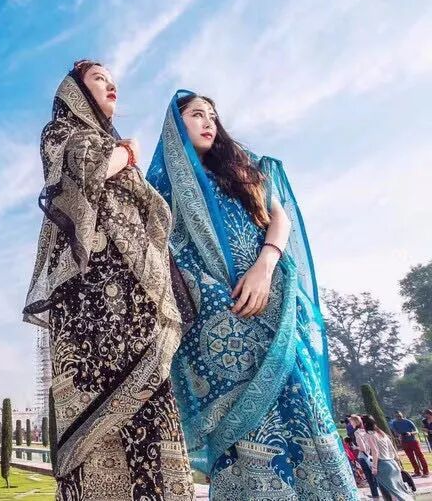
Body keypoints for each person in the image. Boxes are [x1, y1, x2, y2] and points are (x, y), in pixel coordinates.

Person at [146, 91, 358, 498]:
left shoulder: (243, 170)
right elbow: (161, 255)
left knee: (301, 400)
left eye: (212, 116)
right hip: (217, 320)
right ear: (175, 125)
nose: (208, 122)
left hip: (272, 302)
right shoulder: (158, 187)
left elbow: (280, 218)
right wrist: (212, 300)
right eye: (196, 114)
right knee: (241, 427)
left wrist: (265, 266)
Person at [22, 60, 194, 500]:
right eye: (99, 78)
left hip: (138, 289)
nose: (111, 85)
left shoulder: (111, 142)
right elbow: (83, 174)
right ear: (75, 91)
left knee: (150, 393)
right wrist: (128, 154)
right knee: (92, 391)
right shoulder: (60, 132)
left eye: (113, 80)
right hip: (88, 292)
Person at [363, 414, 414, 500]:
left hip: (382, 465)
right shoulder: (381, 433)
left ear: (364, 424)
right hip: (392, 463)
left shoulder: (370, 435)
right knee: (397, 490)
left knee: (395, 492)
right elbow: (392, 448)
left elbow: (375, 452)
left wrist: (374, 467)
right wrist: (397, 461)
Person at [351, 414, 382, 498]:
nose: (351, 424)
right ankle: (380, 492)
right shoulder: (368, 431)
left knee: (369, 477)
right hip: (372, 455)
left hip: (364, 457)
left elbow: (363, 448)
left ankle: (375, 495)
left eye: (352, 422)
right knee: (376, 476)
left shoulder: (357, 433)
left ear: (355, 422)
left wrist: (355, 447)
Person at [390, 411, 429, 477]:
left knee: (420, 456)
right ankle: (417, 472)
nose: (399, 418)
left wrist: (410, 433)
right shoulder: (394, 423)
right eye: (397, 417)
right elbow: (395, 432)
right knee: (411, 458)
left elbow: (416, 431)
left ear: (402, 415)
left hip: (413, 441)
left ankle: (426, 472)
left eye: (400, 416)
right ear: (395, 417)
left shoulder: (408, 421)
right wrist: (399, 435)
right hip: (404, 442)